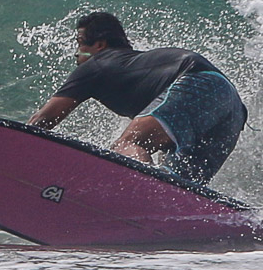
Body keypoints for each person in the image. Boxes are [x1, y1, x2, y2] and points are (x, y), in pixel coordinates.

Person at [27, 12, 247, 186]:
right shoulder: (131, 65)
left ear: (100, 45)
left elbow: (43, 120)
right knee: (181, 189)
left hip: (197, 80)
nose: (77, 52)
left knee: (128, 144)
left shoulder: (96, 64)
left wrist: (15, 152)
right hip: (233, 106)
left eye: (81, 43)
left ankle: (147, 190)